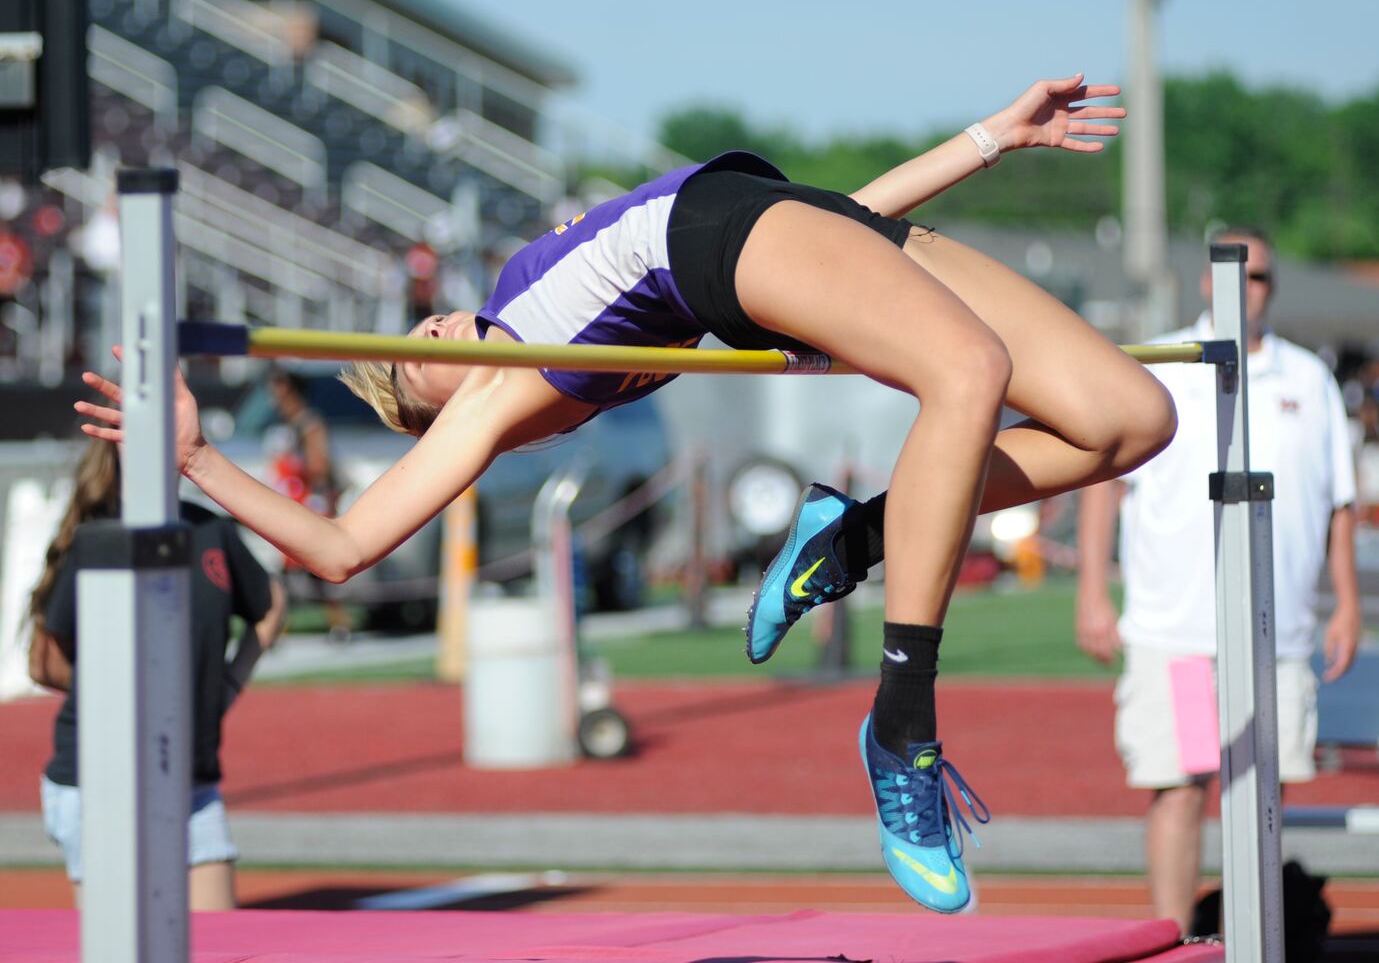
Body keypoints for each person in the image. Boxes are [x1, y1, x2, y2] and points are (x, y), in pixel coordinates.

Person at [75, 74, 1177, 914]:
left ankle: (848, 538)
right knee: (969, 372)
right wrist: (196, 461)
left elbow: (826, 233)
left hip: (766, 217)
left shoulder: (541, 333)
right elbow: (340, 546)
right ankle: (901, 731)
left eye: (422, 324)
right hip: (731, 236)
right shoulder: (493, 405)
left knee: (1130, 417)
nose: (438, 328)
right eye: (417, 355)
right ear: (438, 416)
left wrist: (992, 137)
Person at [1074, 227, 1360, 934]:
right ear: (1206, 281)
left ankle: (1250, 935)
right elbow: (1101, 484)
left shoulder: (1304, 379)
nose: (1246, 288)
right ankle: (1175, 939)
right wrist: (1090, 592)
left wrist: (1346, 603)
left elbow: (1338, 502)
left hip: (1275, 637)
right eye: (1234, 273)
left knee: (1260, 797)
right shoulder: (1166, 366)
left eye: (1259, 276)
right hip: (1180, 636)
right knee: (1182, 788)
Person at [28, 439, 287, 910]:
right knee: (122, 944)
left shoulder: (211, 530)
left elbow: (270, 604)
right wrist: (127, 696)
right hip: (102, 781)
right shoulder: (99, 538)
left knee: (218, 947)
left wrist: (225, 684)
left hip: (190, 780)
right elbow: (45, 661)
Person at [265, 368, 352, 642]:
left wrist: (299, 472)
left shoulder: (309, 424)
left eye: (279, 392)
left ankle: (338, 625)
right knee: (290, 571)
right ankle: (283, 626)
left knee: (316, 569)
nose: (275, 400)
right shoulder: (287, 427)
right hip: (293, 503)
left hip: (310, 504)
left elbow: (319, 467)